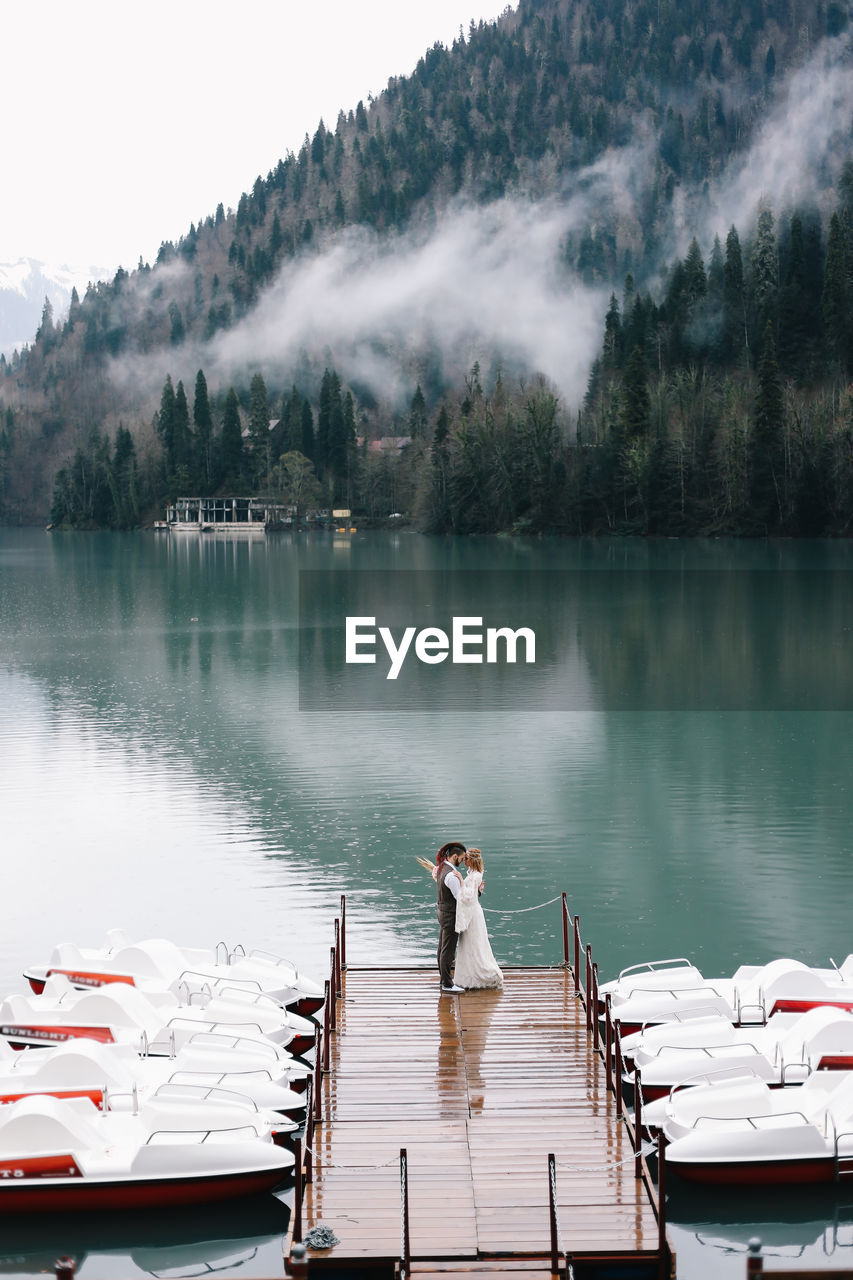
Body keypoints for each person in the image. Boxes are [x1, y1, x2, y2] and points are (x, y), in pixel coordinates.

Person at [452, 849, 503, 990]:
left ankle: (480, 974)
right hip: (473, 912)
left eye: (466, 858)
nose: (464, 861)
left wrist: (461, 881)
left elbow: (468, 897)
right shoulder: (474, 874)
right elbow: (473, 893)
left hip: (473, 914)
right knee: (470, 943)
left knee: (474, 943)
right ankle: (469, 973)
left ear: (472, 860)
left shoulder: (475, 876)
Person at [434, 841, 467, 993]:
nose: (463, 861)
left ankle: (443, 980)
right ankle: (447, 983)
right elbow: (460, 897)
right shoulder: (452, 876)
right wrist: (463, 882)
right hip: (450, 915)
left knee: (442, 948)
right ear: (455, 856)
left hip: (442, 911)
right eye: (462, 858)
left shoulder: (441, 868)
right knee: (447, 951)